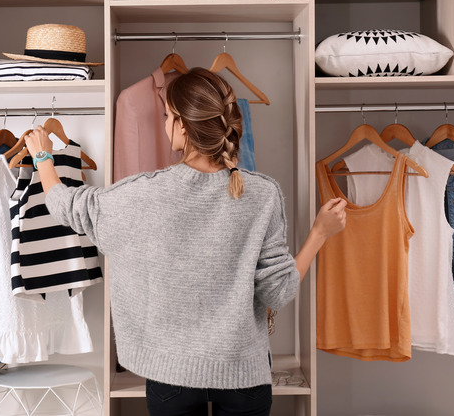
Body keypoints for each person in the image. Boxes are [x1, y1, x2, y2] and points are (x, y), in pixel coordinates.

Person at [25, 67, 347, 416]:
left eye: (168, 116)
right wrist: (319, 234)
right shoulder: (263, 194)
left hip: (171, 376)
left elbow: (67, 206)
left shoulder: (143, 193)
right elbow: (278, 292)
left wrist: (43, 157)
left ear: (181, 126)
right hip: (244, 374)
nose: (165, 124)